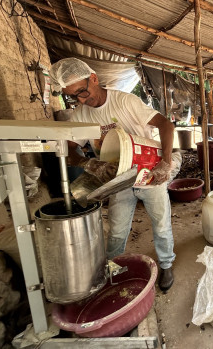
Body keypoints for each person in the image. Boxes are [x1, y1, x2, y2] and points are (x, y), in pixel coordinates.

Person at [49, 57, 176, 292]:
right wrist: (88, 164)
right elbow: (67, 148)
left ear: (94, 79)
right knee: (117, 229)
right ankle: (113, 268)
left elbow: (166, 125)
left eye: (82, 91)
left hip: (149, 173)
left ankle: (166, 264)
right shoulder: (81, 114)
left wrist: (165, 163)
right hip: (117, 179)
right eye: (73, 96)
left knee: (161, 224)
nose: (81, 99)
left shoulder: (125, 101)